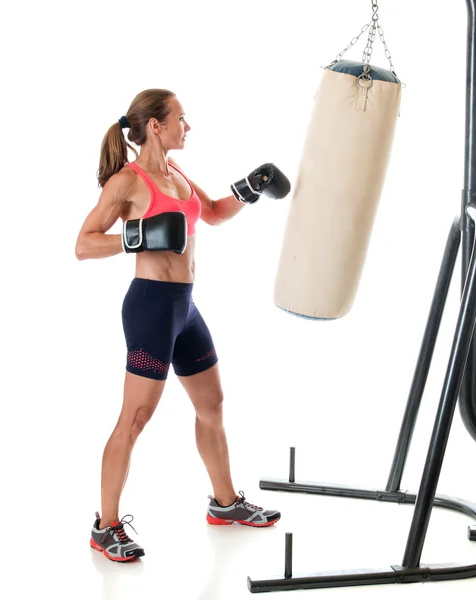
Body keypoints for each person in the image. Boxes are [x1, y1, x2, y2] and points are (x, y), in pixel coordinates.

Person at [75, 88, 291, 562]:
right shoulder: (126, 183)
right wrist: (137, 237)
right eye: (180, 119)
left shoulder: (175, 173)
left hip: (185, 307)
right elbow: (84, 244)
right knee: (134, 419)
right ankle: (105, 527)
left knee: (212, 404)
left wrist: (248, 189)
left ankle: (225, 504)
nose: (186, 127)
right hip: (151, 306)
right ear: (156, 125)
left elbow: (211, 214)